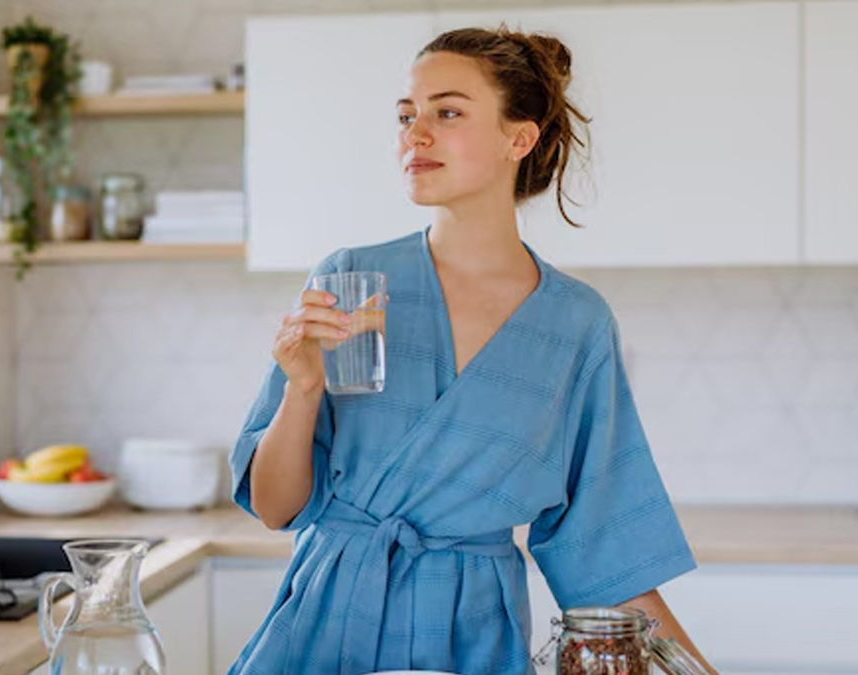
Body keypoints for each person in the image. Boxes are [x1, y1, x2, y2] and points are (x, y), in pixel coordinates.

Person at [228, 26, 718, 675]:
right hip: (325, 625)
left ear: (520, 137)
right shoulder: (349, 282)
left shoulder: (575, 324)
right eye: (407, 115)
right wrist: (303, 386)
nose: (415, 133)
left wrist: (694, 668)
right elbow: (275, 506)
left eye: (448, 111)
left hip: (470, 638)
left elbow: (604, 555)